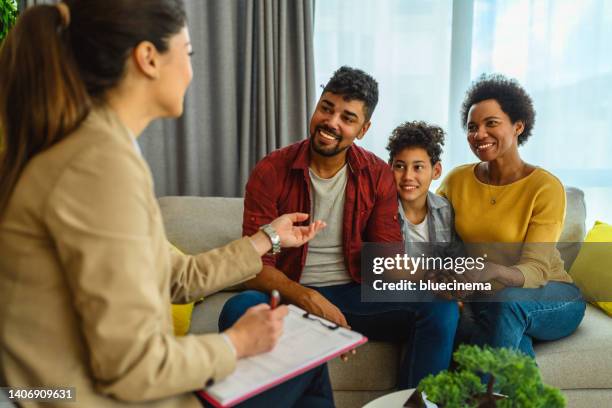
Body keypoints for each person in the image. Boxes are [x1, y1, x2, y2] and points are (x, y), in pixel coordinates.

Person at [0, 2, 333, 407]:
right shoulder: (96, 167)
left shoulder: (96, 149)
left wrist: (268, 238)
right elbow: (132, 366)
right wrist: (236, 344)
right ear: (148, 58)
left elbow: (178, 277)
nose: (192, 71)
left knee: (309, 360)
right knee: (306, 361)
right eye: (188, 53)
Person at [219, 67, 459, 389]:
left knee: (439, 308)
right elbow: (253, 267)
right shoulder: (271, 170)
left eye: (347, 118)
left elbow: (385, 261)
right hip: (288, 292)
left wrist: (432, 280)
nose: (332, 122)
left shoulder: (376, 175)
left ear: (363, 129)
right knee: (237, 309)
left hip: (352, 294)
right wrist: (308, 298)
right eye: (326, 108)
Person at [437, 74, 586, 358]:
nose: (479, 134)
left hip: (554, 294)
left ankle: (468, 400)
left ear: (518, 126)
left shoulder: (544, 187)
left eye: (491, 123)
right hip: (488, 299)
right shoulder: (457, 180)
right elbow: (432, 232)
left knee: (506, 304)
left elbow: (537, 270)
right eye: (472, 127)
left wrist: (492, 270)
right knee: (503, 332)